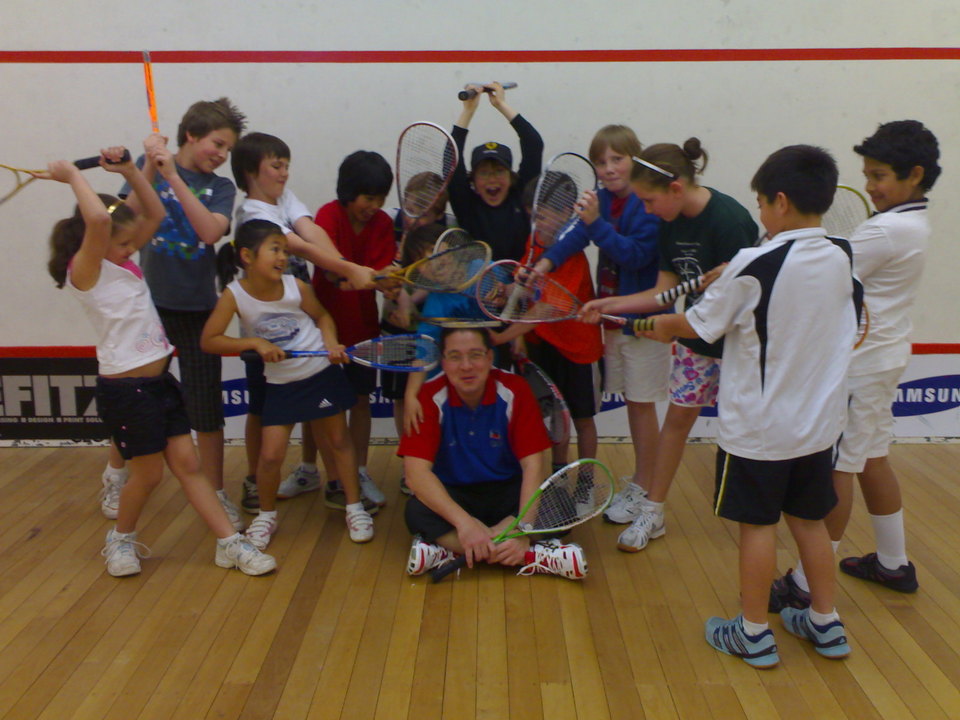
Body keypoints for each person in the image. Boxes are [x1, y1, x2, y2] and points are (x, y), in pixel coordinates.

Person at [643, 144, 857, 667]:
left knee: (757, 527)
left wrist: (647, 325)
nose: (758, 213)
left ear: (779, 202)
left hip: (759, 433)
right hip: (818, 430)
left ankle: (754, 631)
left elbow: (695, 326)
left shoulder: (753, 262)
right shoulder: (841, 254)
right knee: (809, 523)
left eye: (760, 203)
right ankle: (826, 623)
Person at [41, 145, 275, 577]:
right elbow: (96, 220)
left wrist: (133, 170)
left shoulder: (121, 259)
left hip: (159, 383)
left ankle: (229, 543)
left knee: (188, 466)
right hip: (125, 392)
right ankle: (120, 540)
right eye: (125, 241)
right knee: (148, 477)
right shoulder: (86, 271)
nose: (134, 247)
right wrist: (72, 175)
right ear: (98, 242)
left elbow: (156, 214)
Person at [770, 120, 941, 609]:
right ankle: (893, 564)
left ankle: (805, 584)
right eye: (866, 174)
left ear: (914, 175)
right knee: (870, 457)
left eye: (880, 175)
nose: (869, 185)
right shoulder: (912, 221)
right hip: (883, 360)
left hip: (862, 367)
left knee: (838, 470)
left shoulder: (888, 229)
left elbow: (819, 273)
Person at [581, 139, 757, 552]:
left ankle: (761, 520)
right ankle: (653, 511)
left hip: (740, 346)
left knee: (745, 432)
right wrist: (610, 305)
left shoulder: (730, 221)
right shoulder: (668, 223)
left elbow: (740, 306)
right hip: (696, 341)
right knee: (676, 422)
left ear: (676, 188)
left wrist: (675, 325)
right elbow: (664, 290)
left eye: (649, 200)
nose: (645, 209)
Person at [113, 98, 247, 533]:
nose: (222, 155)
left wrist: (172, 175)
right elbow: (124, 220)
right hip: (148, 306)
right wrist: (148, 166)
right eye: (217, 144)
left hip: (198, 310)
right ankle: (115, 477)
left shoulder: (222, 188)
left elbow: (210, 231)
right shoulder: (149, 164)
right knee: (136, 402)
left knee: (206, 407)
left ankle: (216, 493)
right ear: (191, 135)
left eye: (226, 148)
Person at [201, 220, 375, 549]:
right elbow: (210, 340)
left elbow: (323, 317)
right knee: (270, 456)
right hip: (280, 384)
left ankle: (354, 507)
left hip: (319, 373)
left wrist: (331, 342)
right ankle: (266, 516)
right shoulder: (234, 295)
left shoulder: (297, 286)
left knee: (339, 441)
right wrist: (254, 344)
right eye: (275, 249)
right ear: (248, 256)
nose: (283, 257)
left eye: (284, 249)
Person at [227, 132, 376, 511]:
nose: (285, 173)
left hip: (304, 327)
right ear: (249, 172)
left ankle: (326, 479)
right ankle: (255, 482)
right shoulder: (254, 215)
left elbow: (314, 232)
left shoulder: (282, 200)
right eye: (276, 166)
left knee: (318, 400)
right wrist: (349, 269)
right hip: (264, 332)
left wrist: (345, 270)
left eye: (287, 165)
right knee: (261, 410)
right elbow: (300, 246)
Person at [531, 125, 666, 494]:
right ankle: (641, 483)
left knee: (641, 407)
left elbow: (635, 255)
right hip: (612, 322)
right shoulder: (603, 199)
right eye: (601, 161)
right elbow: (574, 236)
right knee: (632, 405)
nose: (608, 168)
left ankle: (647, 488)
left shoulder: (644, 203)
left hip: (644, 323)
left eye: (616, 159)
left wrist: (596, 224)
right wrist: (545, 263)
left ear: (635, 159)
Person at [399, 327, 587, 579]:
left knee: (562, 502)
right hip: (457, 496)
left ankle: (454, 552)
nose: (466, 366)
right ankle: (531, 555)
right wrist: (465, 523)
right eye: (455, 356)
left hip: (508, 493)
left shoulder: (515, 389)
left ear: (490, 358)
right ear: (443, 362)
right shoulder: (428, 396)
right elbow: (415, 475)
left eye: (475, 355)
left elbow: (534, 466)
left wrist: (520, 526)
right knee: (416, 511)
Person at [490, 174, 603, 471]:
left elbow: (545, 308)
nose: (536, 223)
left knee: (582, 420)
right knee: (553, 417)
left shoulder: (573, 257)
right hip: (544, 346)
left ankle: (586, 481)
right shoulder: (535, 240)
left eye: (542, 216)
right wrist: (507, 291)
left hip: (578, 350)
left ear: (567, 213)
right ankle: (558, 474)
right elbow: (528, 288)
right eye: (532, 216)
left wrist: (500, 338)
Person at [311, 150, 398, 510]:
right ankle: (332, 478)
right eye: (368, 197)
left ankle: (359, 472)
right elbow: (333, 271)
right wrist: (363, 276)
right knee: (324, 407)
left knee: (361, 403)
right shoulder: (326, 216)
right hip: (324, 331)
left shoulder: (382, 224)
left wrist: (376, 279)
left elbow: (381, 279)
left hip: (364, 330)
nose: (374, 205)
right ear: (349, 191)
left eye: (380, 198)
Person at [448, 82, 543, 261]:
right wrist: (468, 110)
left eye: (499, 171)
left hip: (521, 284)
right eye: (484, 173)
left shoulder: (522, 196)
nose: (492, 179)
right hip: (477, 286)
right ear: (473, 180)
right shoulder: (467, 206)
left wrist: (501, 104)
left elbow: (534, 144)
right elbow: (450, 157)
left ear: (510, 176)